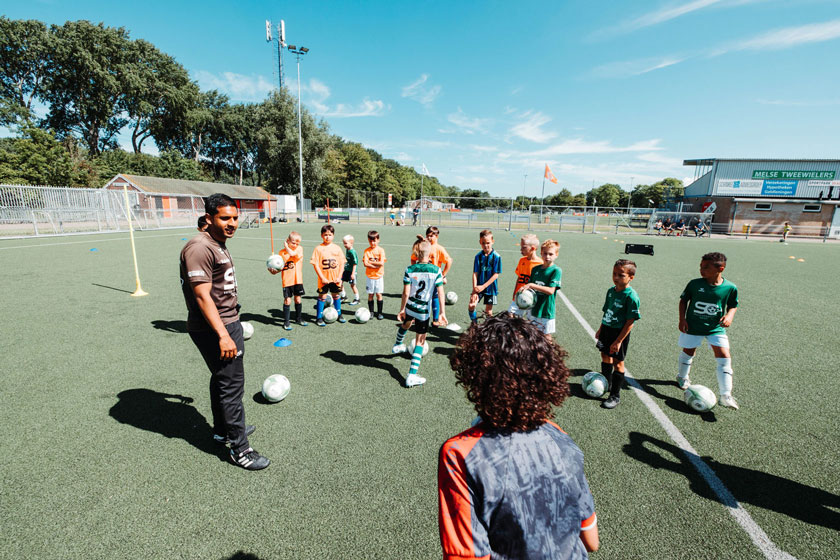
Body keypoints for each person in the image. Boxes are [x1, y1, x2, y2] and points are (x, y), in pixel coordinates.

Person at [439, 313, 599, 559]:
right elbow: (590, 541)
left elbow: (466, 555)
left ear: (476, 375)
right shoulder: (560, 438)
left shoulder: (460, 453)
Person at [179, 193, 269, 470]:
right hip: (216, 325)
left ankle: (223, 430)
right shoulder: (199, 247)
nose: (232, 223)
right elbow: (203, 297)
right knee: (231, 385)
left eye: (234, 217)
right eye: (225, 218)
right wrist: (223, 334)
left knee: (222, 378)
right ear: (209, 218)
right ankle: (239, 449)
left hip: (226, 321)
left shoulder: (217, 242)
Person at [677, 252, 740, 409]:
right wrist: (682, 319)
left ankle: (726, 395)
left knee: (724, 355)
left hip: (715, 328)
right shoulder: (695, 284)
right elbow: (683, 300)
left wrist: (729, 315)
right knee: (689, 351)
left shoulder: (730, 287)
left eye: (706, 267)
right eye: (701, 266)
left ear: (721, 268)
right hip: (693, 326)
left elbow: (733, 305)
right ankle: (682, 377)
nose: (701, 270)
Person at [392, 237, 447, 387]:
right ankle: (411, 375)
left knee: (406, 324)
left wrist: (402, 309)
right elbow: (441, 293)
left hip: (410, 307)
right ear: (430, 255)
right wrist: (442, 312)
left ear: (416, 255)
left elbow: (405, 292)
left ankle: (397, 345)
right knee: (420, 341)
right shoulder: (436, 270)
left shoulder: (409, 269)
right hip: (423, 311)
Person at [594, 259, 641, 409]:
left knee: (618, 362)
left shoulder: (631, 296)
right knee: (604, 355)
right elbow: (606, 311)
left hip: (619, 333)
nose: (616, 277)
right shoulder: (610, 291)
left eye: (620, 275)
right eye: (614, 274)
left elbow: (630, 322)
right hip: (606, 329)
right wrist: (601, 329)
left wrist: (619, 341)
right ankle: (607, 383)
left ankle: (615, 395)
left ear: (631, 277)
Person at [521, 239, 562, 338]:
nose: (547, 256)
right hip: (533, 309)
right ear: (541, 253)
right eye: (545, 253)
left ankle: (550, 353)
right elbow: (530, 289)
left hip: (546, 311)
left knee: (546, 338)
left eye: (551, 254)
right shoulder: (535, 269)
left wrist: (532, 285)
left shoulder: (556, 271)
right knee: (532, 335)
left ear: (556, 254)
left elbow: (550, 291)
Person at [412, 226, 452, 325]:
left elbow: (449, 261)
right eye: (428, 236)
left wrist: (443, 275)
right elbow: (413, 258)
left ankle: (435, 319)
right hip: (422, 277)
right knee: (420, 296)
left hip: (434, 278)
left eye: (431, 236)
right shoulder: (423, 247)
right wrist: (416, 269)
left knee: (435, 297)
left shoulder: (439, 249)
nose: (429, 238)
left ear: (436, 236)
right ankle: (416, 316)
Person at [269, 231, 307, 330]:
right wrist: (274, 271)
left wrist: (287, 247)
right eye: (293, 243)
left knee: (298, 299)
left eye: (297, 243)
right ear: (288, 241)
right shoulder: (281, 253)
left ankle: (298, 318)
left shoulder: (299, 249)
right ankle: (286, 322)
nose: (295, 245)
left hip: (298, 280)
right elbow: (280, 267)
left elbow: (292, 253)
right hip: (287, 281)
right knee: (287, 301)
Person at [311, 224, 347, 326]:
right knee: (322, 296)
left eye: (330, 235)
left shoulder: (337, 248)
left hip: (335, 279)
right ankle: (318, 317)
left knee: (336, 296)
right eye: (325, 234)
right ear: (321, 235)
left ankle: (339, 314)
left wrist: (339, 277)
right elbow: (316, 265)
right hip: (324, 280)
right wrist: (322, 277)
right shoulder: (318, 249)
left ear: (333, 236)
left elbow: (342, 263)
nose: (328, 237)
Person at [469, 229, 502, 324]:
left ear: (492, 241)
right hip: (478, 287)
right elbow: (475, 273)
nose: (486, 245)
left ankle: (491, 329)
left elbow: (496, 275)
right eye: (483, 243)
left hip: (490, 288)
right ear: (480, 242)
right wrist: (475, 289)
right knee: (471, 305)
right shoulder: (478, 256)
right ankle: (475, 325)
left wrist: (483, 286)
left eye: (488, 243)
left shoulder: (497, 257)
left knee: (488, 312)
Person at [508, 234, 543, 316]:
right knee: (510, 315)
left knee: (530, 322)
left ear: (533, 248)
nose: (521, 249)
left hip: (531, 297)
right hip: (519, 295)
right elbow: (519, 277)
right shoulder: (521, 260)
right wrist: (514, 294)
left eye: (524, 247)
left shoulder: (540, 264)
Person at [363, 230, 387, 319]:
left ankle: (380, 313)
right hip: (370, 276)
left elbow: (381, 263)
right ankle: (371, 312)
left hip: (379, 276)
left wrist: (370, 263)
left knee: (378, 294)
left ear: (378, 240)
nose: (372, 243)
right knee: (370, 295)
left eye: (374, 241)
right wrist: (374, 265)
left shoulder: (381, 250)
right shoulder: (366, 251)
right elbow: (365, 263)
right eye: (370, 241)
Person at [341, 234, 360, 306]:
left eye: (346, 243)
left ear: (351, 243)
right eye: (344, 243)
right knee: (340, 282)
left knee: (352, 285)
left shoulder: (352, 252)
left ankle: (357, 299)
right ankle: (343, 296)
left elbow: (355, 263)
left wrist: (353, 273)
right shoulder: (347, 249)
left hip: (352, 271)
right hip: (346, 270)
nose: (344, 245)